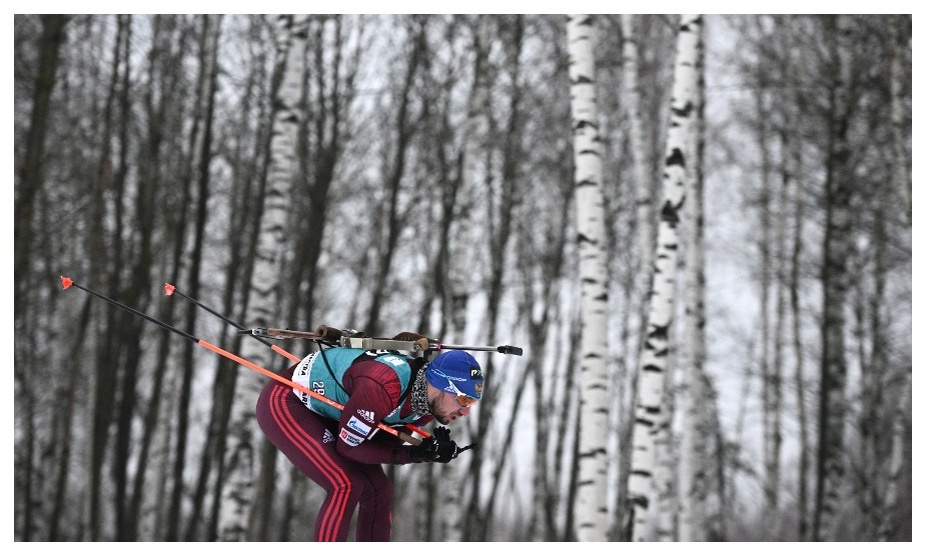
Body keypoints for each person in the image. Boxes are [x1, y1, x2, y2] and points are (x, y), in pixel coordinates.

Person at [255, 333, 483, 542]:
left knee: (379, 490)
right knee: (345, 484)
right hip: (288, 401)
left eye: (471, 403)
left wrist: (428, 451)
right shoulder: (384, 386)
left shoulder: (426, 406)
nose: (465, 412)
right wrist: (413, 454)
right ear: (441, 385)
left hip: (333, 413)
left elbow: (380, 445)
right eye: (463, 400)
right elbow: (349, 448)